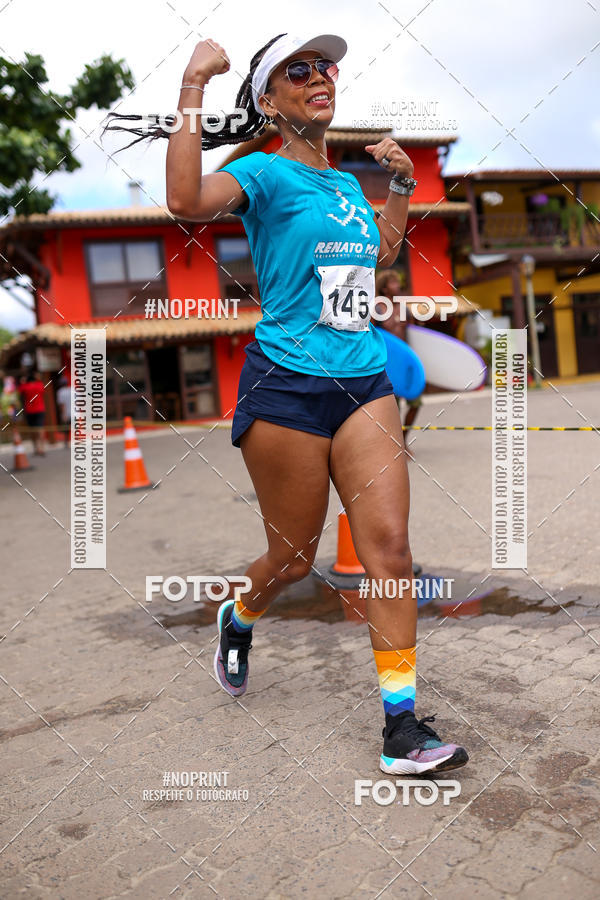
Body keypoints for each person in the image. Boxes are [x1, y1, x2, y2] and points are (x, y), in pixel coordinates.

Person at [104, 33, 468, 775]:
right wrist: (192, 87)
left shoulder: (343, 189)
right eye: (296, 71)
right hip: (287, 385)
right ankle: (238, 616)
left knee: (389, 549)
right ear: (269, 101)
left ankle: (401, 731)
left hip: (364, 380)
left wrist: (398, 187)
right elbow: (183, 202)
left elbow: (383, 254)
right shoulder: (262, 173)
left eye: (326, 66)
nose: (318, 77)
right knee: (295, 557)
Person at [375, 268, 423, 447]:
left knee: (415, 402)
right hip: (387, 366)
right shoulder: (377, 309)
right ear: (385, 288)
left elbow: (415, 334)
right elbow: (372, 336)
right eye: (393, 283)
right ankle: (394, 445)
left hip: (406, 364)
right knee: (393, 409)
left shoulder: (404, 310)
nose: (398, 286)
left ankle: (403, 439)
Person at [18, 371, 46, 455]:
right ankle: (42, 448)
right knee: (40, 429)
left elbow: (19, 391)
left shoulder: (25, 387)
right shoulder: (39, 385)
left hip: (29, 410)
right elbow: (43, 389)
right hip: (40, 409)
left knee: (32, 430)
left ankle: (35, 448)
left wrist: (22, 382)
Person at [55, 375, 72, 446]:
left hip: (67, 413)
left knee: (66, 429)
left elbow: (62, 405)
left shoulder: (60, 392)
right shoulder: (73, 389)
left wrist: (63, 414)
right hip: (75, 412)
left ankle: (67, 442)